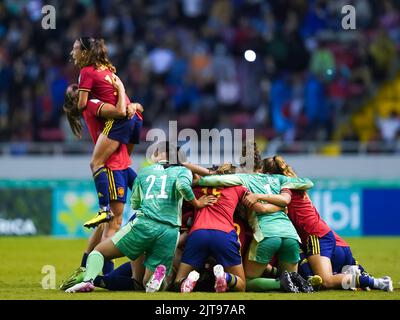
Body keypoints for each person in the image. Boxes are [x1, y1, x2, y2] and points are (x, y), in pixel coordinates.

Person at [65, 142, 216, 293]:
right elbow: (183, 186)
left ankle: (88, 280)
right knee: (146, 284)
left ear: (156, 155)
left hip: (145, 224)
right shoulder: (183, 172)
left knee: (99, 252)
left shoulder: (145, 171)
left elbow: (136, 203)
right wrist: (197, 202)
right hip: (169, 231)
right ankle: (157, 278)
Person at [252, 155, 393, 292]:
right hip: (321, 233)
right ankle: (352, 274)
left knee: (326, 280)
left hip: (315, 236)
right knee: (315, 274)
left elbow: (283, 206)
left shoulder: (285, 190)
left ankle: (379, 282)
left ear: (270, 175)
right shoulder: (294, 185)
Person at [60, 83, 140, 288]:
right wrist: (122, 89)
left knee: (109, 221)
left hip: (122, 164)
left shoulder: (95, 102)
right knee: (114, 222)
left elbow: (131, 110)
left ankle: (85, 265)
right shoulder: (93, 104)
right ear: (77, 99)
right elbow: (123, 111)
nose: (81, 87)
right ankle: (105, 275)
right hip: (114, 166)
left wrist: (135, 106)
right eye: (76, 90)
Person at [197, 162, 315, 293]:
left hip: (267, 235)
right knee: (291, 281)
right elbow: (308, 182)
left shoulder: (244, 179)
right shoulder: (279, 179)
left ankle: (279, 283)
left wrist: (195, 180)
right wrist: (284, 190)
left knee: (246, 282)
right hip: (291, 236)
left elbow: (215, 180)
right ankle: (294, 282)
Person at [174, 164, 285, 294]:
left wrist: (209, 175)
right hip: (224, 235)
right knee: (241, 285)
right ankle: (225, 277)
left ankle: (191, 280)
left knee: (178, 282)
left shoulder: (199, 186)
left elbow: (186, 172)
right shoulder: (237, 187)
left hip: (198, 233)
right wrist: (281, 208)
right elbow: (260, 208)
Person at [70, 37, 143, 225]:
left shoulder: (86, 72)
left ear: (85, 52)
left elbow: (82, 103)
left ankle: (103, 209)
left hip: (120, 121)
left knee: (96, 163)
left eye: (76, 48)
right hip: (134, 117)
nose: (72, 52)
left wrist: (81, 102)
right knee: (124, 164)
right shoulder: (107, 69)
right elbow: (127, 102)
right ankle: (146, 207)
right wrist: (132, 105)